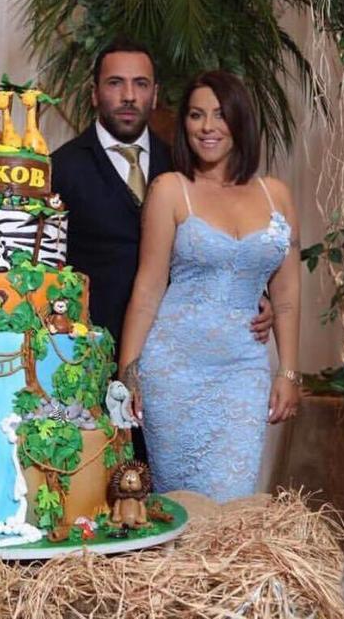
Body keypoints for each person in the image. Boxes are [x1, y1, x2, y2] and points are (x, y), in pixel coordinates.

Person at [51, 39, 274, 462]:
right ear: (94, 93)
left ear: (155, 95)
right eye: (115, 83)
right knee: (98, 484)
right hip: (89, 360)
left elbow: (224, 237)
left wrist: (253, 296)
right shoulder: (61, 168)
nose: (129, 95)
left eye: (140, 84)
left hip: (179, 362)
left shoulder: (186, 164)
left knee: (167, 484)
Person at [117, 70, 301, 502]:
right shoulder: (170, 189)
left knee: (233, 500)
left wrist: (290, 372)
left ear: (240, 121)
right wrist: (128, 373)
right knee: (183, 505)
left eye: (219, 114)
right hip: (173, 371)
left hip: (243, 371)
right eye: (196, 115)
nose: (207, 127)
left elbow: (288, 295)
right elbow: (147, 288)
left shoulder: (276, 194)